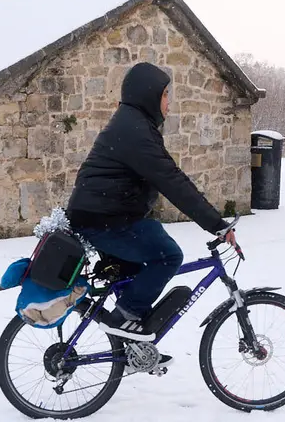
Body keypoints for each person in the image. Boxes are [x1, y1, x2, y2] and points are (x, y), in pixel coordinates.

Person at [66, 62, 236, 342]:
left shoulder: (133, 123)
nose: (169, 103)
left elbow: (167, 178)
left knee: (143, 266)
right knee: (168, 255)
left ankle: (133, 346)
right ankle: (125, 317)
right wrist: (216, 224)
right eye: (166, 95)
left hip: (106, 216)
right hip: (103, 221)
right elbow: (172, 181)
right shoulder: (136, 131)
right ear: (149, 94)